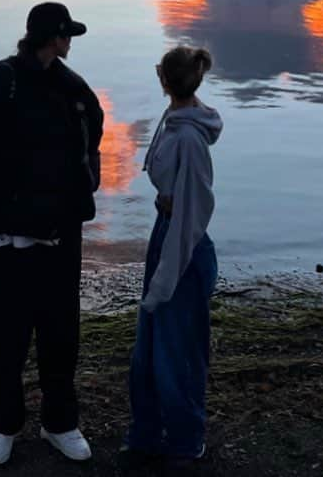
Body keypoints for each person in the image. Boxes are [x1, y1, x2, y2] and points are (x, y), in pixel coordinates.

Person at [0, 1, 104, 467]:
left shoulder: (73, 89)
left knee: (61, 333)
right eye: (66, 34)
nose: (71, 42)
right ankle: (3, 426)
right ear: (52, 38)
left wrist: (83, 180)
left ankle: (61, 423)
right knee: (7, 337)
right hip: (7, 235)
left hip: (61, 235)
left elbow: (93, 132)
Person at [125, 45, 222, 468]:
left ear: (164, 80)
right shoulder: (175, 119)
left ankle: (185, 441)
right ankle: (146, 434)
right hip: (166, 234)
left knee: (178, 352)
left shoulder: (188, 138)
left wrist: (164, 280)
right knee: (149, 348)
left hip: (183, 245)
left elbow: (193, 214)